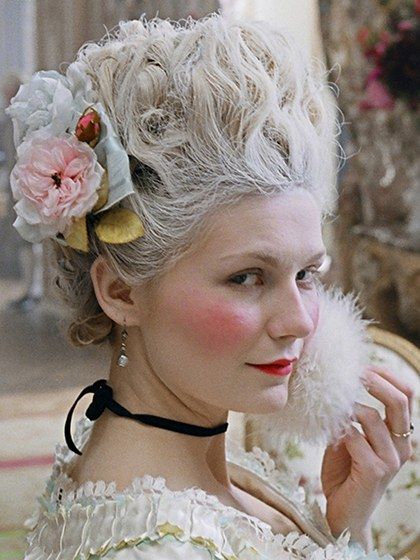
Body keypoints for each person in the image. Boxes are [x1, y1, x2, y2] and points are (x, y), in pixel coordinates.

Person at [7, 13, 415, 560]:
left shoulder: (199, 454)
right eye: (247, 278)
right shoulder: (155, 549)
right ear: (122, 292)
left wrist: (347, 527)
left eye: (306, 275)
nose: (299, 321)